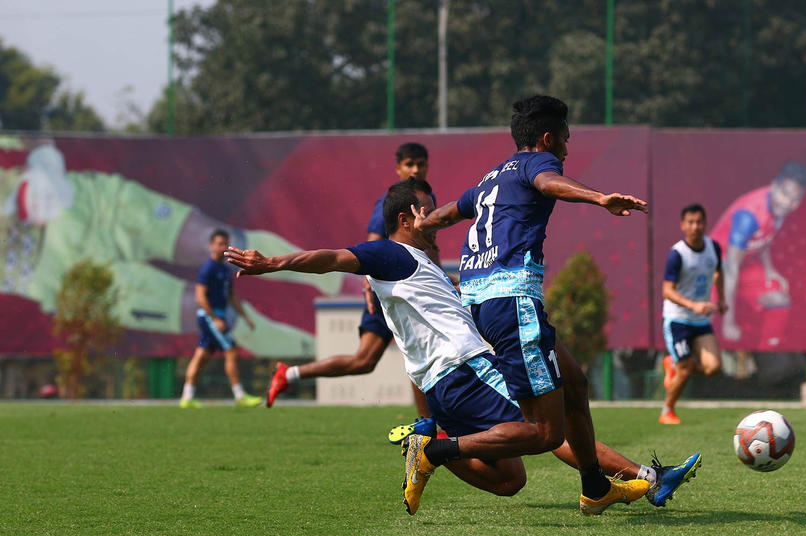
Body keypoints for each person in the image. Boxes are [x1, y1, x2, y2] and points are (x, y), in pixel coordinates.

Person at [227, 181, 702, 515]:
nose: (432, 216)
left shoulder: (420, 263)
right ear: (402, 219)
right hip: (462, 370)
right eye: (423, 210)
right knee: (545, 425)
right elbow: (332, 258)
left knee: (510, 479)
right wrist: (273, 263)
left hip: (445, 383)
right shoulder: (391, 253)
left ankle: (431, 446)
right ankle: (644, 478)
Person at [409, 95, 678, 513]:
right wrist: (599, 197)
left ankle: (594, 486)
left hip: (483, 302)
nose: (567, 151)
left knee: (574, 384)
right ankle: (435, 451)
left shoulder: (490, 178)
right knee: (545, 433)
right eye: (566, 141)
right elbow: (550, 183)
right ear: (548, 138)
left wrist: (425, 223)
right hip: (510, 301)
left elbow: (449, 213)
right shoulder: (538, 165)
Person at [0, 143, 327, 358]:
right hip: (63, 276)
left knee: (227, 243)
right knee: (218, 312)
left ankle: (341, 280)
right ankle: (331, 354)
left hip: (93, 205)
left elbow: (36, 143)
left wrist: (41, 167)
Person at [266, 143, 434, 417]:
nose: (416, 170)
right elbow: (373, 246)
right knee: (420, 354)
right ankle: (429, 426)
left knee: (364, 361)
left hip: (413, 284)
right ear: (398, 168)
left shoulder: (425, 197)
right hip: (396, 289)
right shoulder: (392, 202)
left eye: (421, 164)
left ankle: (289, 373)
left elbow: (429, 246)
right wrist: (369, 283)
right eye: (410, 164)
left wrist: (440, 277)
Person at [708, 161, 806, 346]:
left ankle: (769, 355)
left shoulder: (780, 208)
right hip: (712, 266)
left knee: (779, 299)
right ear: (774, 186)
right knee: (703, 315)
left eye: (795, 199)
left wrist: (769, 269)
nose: (788, 203)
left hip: (742, 264)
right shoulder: (749, 216)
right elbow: (730, 269)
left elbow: (764, 237)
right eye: (784, 194)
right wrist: (729, 322)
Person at [658, 204, 726, 425]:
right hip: (678, 320)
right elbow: (667, 291)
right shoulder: (677, 254)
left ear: (705, 224)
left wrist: (722, 298)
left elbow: (719, 272)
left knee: (713, 368)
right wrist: (692, 305)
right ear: (683, 225)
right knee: (686, 369)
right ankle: (667, 411)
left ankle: (673, 365)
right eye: (691, 222)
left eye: (699, 222)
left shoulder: (713, 248)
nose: (695, 227)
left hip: (700, 321)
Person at [179, 229, 263, 408]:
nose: (223, 247)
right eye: (219, 243)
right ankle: (240, 395)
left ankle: (186, 397)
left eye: (225, 243)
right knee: (231, 351)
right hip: (210, 317)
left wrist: (246, 317)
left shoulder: (225, 270)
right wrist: (215, 318)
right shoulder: (208, 268)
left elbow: (232, 296)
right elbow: (200, 296)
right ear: (211, 246)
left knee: (201, 356)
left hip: (217, 317)